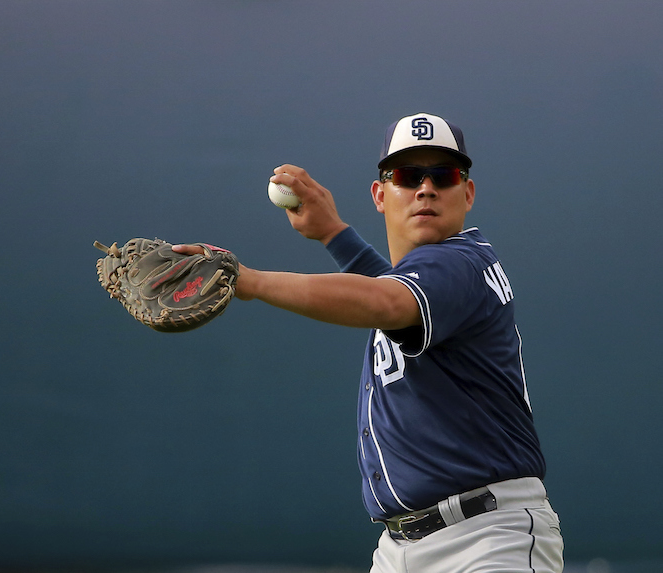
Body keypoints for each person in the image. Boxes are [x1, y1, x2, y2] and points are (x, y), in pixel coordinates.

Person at [175, 112, 564, 572]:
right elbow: (392, 288)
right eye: (406, 175)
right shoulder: (428, 285)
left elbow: (384, 301)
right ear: (381, 195)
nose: (425, 188)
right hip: (400, 549)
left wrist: (249, 280)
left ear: (468, 192)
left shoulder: (461, 263)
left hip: (486, 541)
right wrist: (334, 235)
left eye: (443, 175)